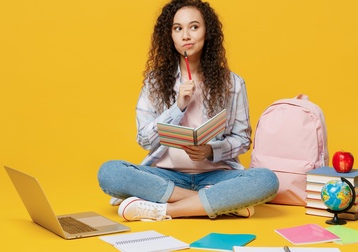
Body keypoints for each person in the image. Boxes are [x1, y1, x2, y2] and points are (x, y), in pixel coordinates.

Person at [97, 0, 279, 221]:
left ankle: (165, 210)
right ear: (170, 35)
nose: (186, 35)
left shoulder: (233, 83)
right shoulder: (155, 82)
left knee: (267, 180)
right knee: (110, 172)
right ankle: (216, 202)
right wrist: (178, 107)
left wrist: (209, 150)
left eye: (194, 27)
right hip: (167, 178)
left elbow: (242, 139)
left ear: (207, 32)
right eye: (178, 28)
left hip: (218, 177)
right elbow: (144, 140)